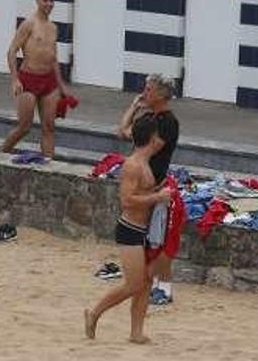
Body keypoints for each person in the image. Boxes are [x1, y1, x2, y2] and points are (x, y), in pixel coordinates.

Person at [84, 116, 172, 344]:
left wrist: (161, 191)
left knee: (145, 282)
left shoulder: (145, 163)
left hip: (143, 230)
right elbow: (127, 200)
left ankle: (136, 332)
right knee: (134, 283)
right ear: (153, 138)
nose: (163, 140)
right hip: (130, 230)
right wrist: (158, 196)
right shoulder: (133, 165)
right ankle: (94, 313)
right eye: (159, 135)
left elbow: (142, 193)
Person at [118, 74, 180, 305]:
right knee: (149, 237)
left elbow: (147, 146)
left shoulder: (167, 122)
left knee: (160, 237)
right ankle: (152, 281)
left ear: (162, 95)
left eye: (149, 90)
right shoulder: (149, 117)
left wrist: (137, 138)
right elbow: (123, 130)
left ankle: (164, 286)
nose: (145, 93)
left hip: (156, 184)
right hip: (146, 183)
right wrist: (134, 107)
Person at [1, 0, 71, 157]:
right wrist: (15, 80)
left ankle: (49, 165)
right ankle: (2, 154)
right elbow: (12, 51)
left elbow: (53, 57)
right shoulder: (29, 24)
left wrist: (61, 85)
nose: (49, 4)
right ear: (37, 1)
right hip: (28, 79)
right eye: (45, 0)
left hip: (48, 81)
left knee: (49, 127)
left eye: (52, 1)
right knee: (25, 126)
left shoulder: (53, 27)